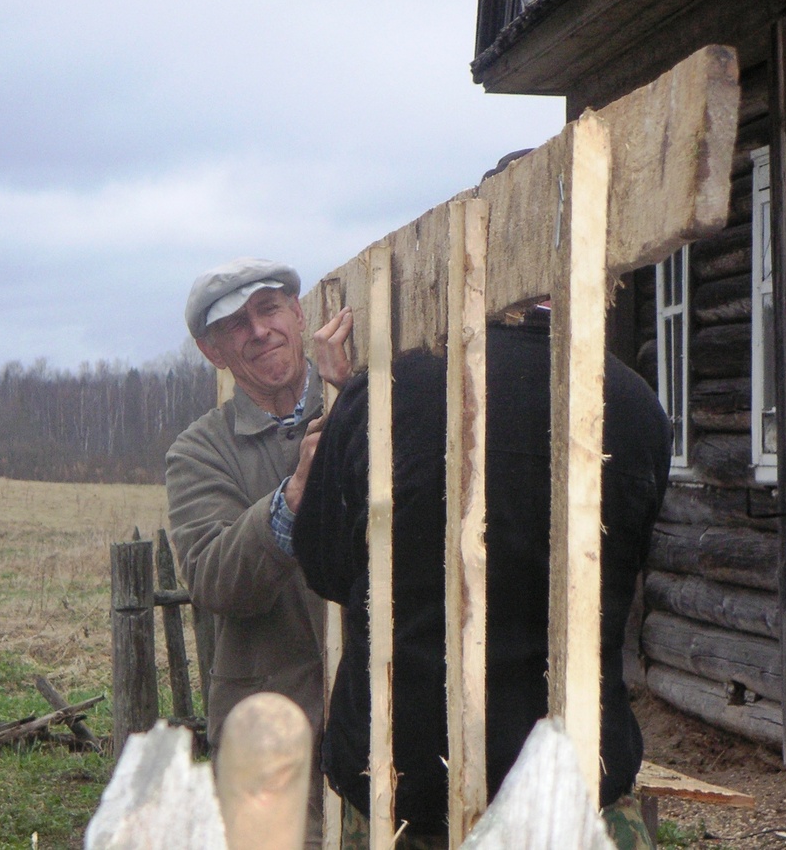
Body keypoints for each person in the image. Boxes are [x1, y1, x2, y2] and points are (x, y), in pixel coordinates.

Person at [291, 310, 671, 849]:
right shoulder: (634, 403)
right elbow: (630, 568)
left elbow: (326, 568)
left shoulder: (386, 392)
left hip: (406, 789)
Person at [165, 256, 352, 849]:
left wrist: (351, 405)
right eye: (236, 325)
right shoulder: (200, 452)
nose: (260, 330)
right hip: (266, 742)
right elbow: (214, 578)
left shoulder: (358, 402)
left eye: (269, 309)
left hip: (375, 725)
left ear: (298, 315)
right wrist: (292, 497)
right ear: (212, 351)